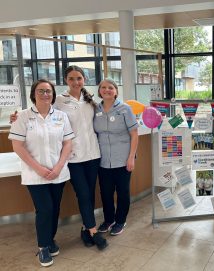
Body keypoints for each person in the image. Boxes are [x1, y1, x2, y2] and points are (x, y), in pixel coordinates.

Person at [10, 66, 108, 250]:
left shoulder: (90, 100)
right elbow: (41, 109)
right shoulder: (60, 101)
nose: (76, 82)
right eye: (71, 79)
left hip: (93, 154)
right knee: (83, 194)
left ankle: (86, 228)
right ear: (66, 80)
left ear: (84, 79)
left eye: (79, 78)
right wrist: (16, 116)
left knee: (90, 193)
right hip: (72, 157)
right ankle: (93, 230)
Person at [8, 79, 74, 267]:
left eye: (48, 91)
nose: (45, 94)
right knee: (44, 209)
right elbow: (18, 146)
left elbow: (68, 142)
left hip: (57, 172)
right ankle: (43, 247)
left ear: (53, 94)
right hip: (35, 174)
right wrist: (39, 169)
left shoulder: (61, 116)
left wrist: (59, 166)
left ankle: (50, 239)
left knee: (54, 209)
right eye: (41, 91)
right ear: (33, 94)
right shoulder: (22, 116)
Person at [93, 79, 139, 235]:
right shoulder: (95, 109)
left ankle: (120, 221)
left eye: (110, 87)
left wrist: (131, 157)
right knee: (105, 192)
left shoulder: (125, 109)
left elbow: (134, 134)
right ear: (99, 91)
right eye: (103, 88)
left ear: (115, 91)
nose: (107, 90)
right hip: (103, 159)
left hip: (123, 158)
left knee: (122, 192)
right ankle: (108, 220)